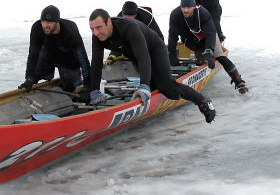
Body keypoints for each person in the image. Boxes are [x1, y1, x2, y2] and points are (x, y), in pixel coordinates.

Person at [86, 8, 216, 123]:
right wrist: (94, 90)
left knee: (166, 86)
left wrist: (143, 86)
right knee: (153, 86)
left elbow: (144, 57)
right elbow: (96, 63)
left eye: (99, 27)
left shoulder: (128, 27)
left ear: (108, 21)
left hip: (154, 49)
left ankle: (202, 101)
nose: (96, 33)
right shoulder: (97, 37)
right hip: (136, 55)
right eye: (92, 29)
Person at [168, 0, 248, 94]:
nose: (186, 10)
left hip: (208, 36)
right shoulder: (175, 15)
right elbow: (172, 35)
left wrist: (209, 51)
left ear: (194, 6)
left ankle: (238, 81)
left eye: (188, 7)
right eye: (183, 7)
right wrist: (172, 53)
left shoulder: (203, 13)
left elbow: (211, 33)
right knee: (202, 61)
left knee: (219, 56)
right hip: (192, 40)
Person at [19, 5, 90, 94]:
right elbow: (33, 55)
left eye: (49, 22)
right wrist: (29, 78)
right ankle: (35, 81)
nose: (45, 25)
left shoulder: (70, 30)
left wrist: (88, 85)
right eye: (43, 21)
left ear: (57, 21)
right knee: (36, 70)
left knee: (70, 88)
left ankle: (68, 83)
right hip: (50, 54)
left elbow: (82, 58)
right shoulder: (37, 28)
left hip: (69, 59)